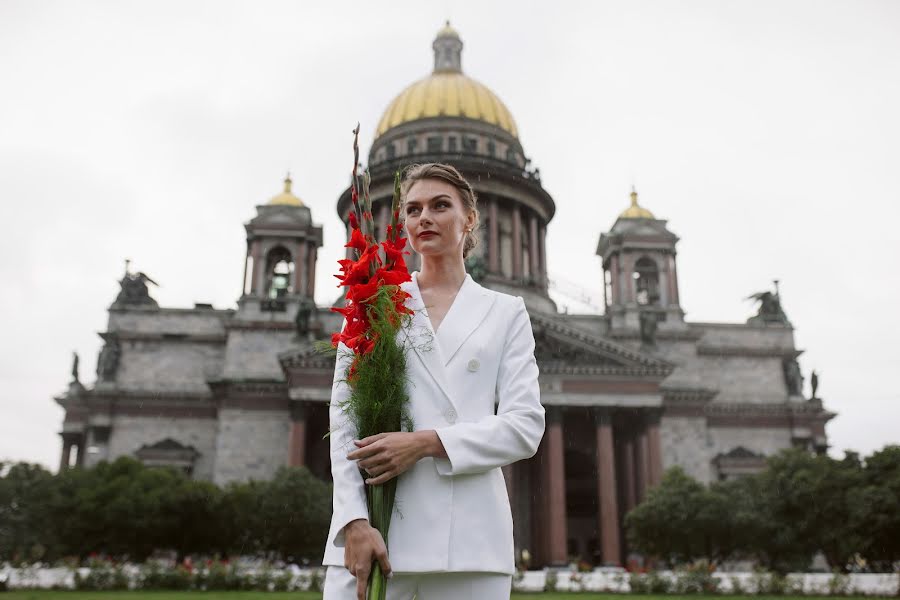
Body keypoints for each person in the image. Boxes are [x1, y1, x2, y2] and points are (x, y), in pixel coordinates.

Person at [322, 163, 545, 600]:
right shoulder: (372, 302)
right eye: (412, 209)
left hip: (469, 545)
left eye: (440, 205)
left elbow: (525, 428)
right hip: (375, 536)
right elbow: (343, 426)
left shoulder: (507, 312)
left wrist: (426, 443)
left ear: (470, 218)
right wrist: (353, 521)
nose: (424, 217)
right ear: (402, 224)